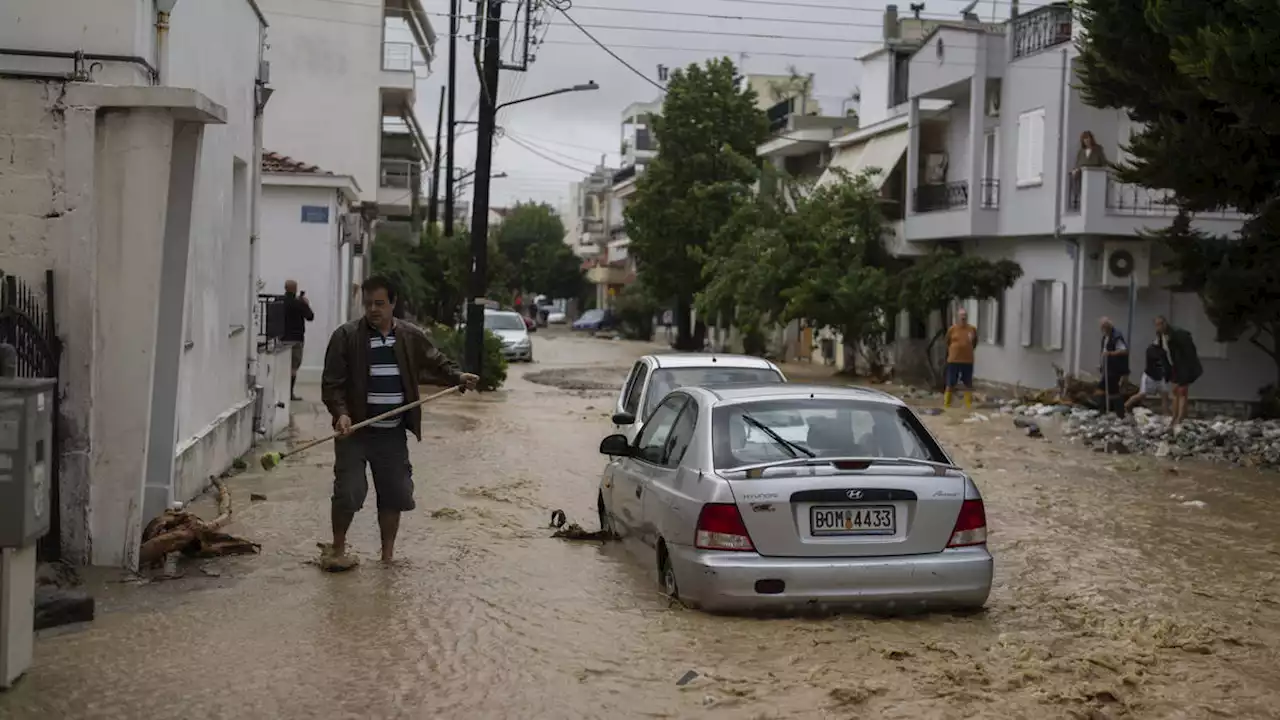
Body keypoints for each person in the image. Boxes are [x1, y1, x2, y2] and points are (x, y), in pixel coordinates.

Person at [320, 275, 478, 567]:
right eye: (368, 304)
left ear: (393, 303)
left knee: (394, 494)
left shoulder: (409, 335)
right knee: (349, 493)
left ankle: (387, 558)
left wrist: (458, 377)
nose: (373, 309)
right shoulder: (346, 336)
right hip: (354, 431)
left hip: (392, 434)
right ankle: (337, 549)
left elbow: (436, 360)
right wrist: (340, 413)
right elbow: (332, 384)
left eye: (379, 303)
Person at [1155, 315, 1202, 429]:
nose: (1158, 327)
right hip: (1173, 366)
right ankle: (1175, 416)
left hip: (1184, 366)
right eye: (1157, 325)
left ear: (1165, 323)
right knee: (1175, 391)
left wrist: (1186, 372)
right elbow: (1163, 352)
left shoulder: (1178, 334)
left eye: (1160, 324)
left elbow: (1189, 354)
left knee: (1182, 391)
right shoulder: (1161, 336)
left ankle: (1180, 418)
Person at [283, 279, 314, 401]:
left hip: (282, 338)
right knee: (293, 368)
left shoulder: (280, 302)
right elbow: (310, 316)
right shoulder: (299, 303)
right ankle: (290, 393)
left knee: (282, 367)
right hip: (296, 339)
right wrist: (306, 304)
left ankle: (284, 392)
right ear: (295, 289)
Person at [943, 307, 978, 409]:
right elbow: (947, 342)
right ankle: (947, 405)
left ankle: (968, 406)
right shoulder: (952, 329)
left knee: (968, 383)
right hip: (953, 360)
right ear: (957, 317)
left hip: (967, 361)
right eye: (961, 315)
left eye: (965, 316)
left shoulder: (972, 329)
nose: (963, 318)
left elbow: (975, 343)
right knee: (950, 382)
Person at [1125, 339, 1170, 415]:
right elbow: (1154, 359)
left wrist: (1167, 374)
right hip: (1149, 377)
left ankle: (1165, 414)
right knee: (1142, 395)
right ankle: (1126, 406)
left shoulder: (1163, 351)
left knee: (1165, 394)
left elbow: (1166, 364)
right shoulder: (1151, 349)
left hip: (1159, 377)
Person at [1098, 317, 1130, 417]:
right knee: (1102, 389)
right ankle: (1103, 411)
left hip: (1115, 369)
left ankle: (1119, 413)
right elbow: (1103, 352)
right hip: (1108, 368)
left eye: (1104, 327)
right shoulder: (1105, 337)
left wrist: (1110, 354)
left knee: (1113, 391)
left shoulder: (1116, 336)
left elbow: (1124, 351)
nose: (1103, 329)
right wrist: (1101, 365)